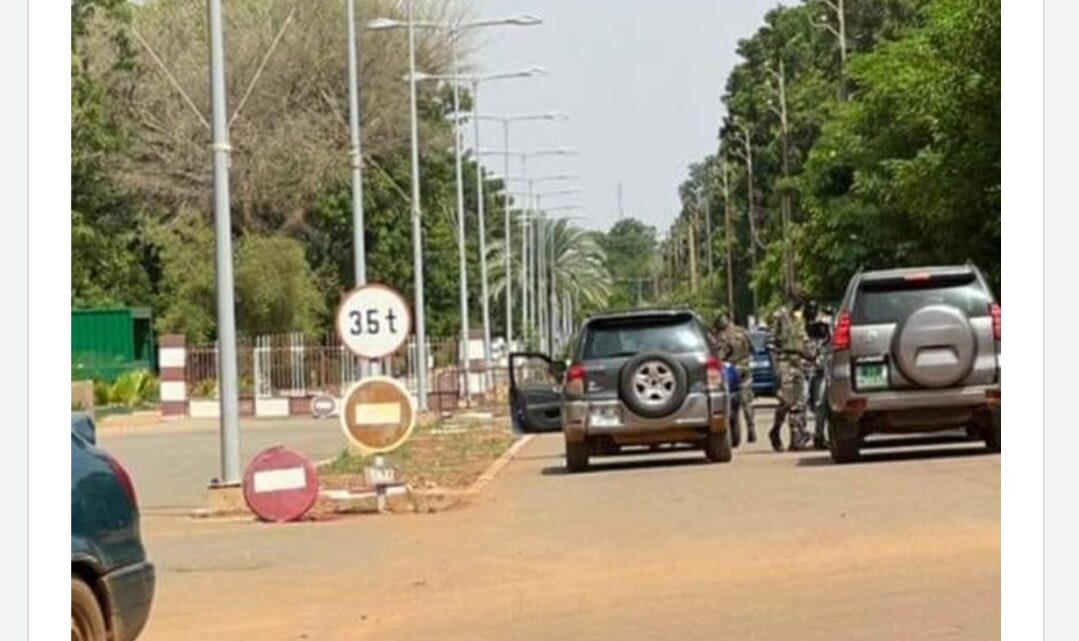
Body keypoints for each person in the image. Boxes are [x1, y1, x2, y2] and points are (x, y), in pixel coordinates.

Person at [769, 298, 811, 452]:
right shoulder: (779, 316)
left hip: (798, 361)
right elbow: (771, 344)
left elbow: (804, 339)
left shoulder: (800, 317)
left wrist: (809, 355)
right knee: (786, 401)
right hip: (784, 361)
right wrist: (775, 369)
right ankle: (775, 431)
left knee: (799, 402)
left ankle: (796, 439)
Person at [710, 312, 756, 443]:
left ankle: (731, 430)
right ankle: (751, 426)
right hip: (745, 368)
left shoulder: (723, 336)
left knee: (730, 400)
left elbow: (719, 355)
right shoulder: (742, 332)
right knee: (747, 401)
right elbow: (753, 349)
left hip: (731, 370)